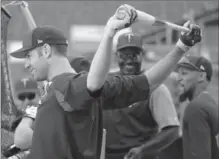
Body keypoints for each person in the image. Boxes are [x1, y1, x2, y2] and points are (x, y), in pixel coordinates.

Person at [10, 5, 201, 159]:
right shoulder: (83, 89)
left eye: (28, 56)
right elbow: (147, 82)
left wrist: (109, 33)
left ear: (45, 51)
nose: (26, 64)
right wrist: (181, 47)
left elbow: (91, 84)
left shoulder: (67, 85)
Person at [103, 32, 180, 159]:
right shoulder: (109, 82)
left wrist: (143, 150)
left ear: (142, 56)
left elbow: (172, 130)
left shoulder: (155, 87)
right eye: (124, 55)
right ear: (116, 56)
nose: (129, 60)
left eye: (134, 55)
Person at [177, 55, 219, 159]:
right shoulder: (209, 103)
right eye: (178, 73)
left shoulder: (196, 108)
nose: (178, 78)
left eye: (184, 73)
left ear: (201, 76)